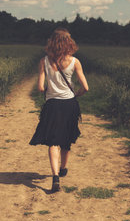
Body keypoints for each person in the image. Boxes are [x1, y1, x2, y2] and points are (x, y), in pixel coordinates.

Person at [29, 27, 89, 193]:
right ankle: (63, 168)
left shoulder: (44, 61)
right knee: (66, 138)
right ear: (69, 43)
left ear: (52, 43)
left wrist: (50, 88)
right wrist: (76, 93)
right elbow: (86, 87)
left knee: (53, 141)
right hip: (69, 104)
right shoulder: (75, 62)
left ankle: (55, 176)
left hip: (52, 105)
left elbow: (41, 87)